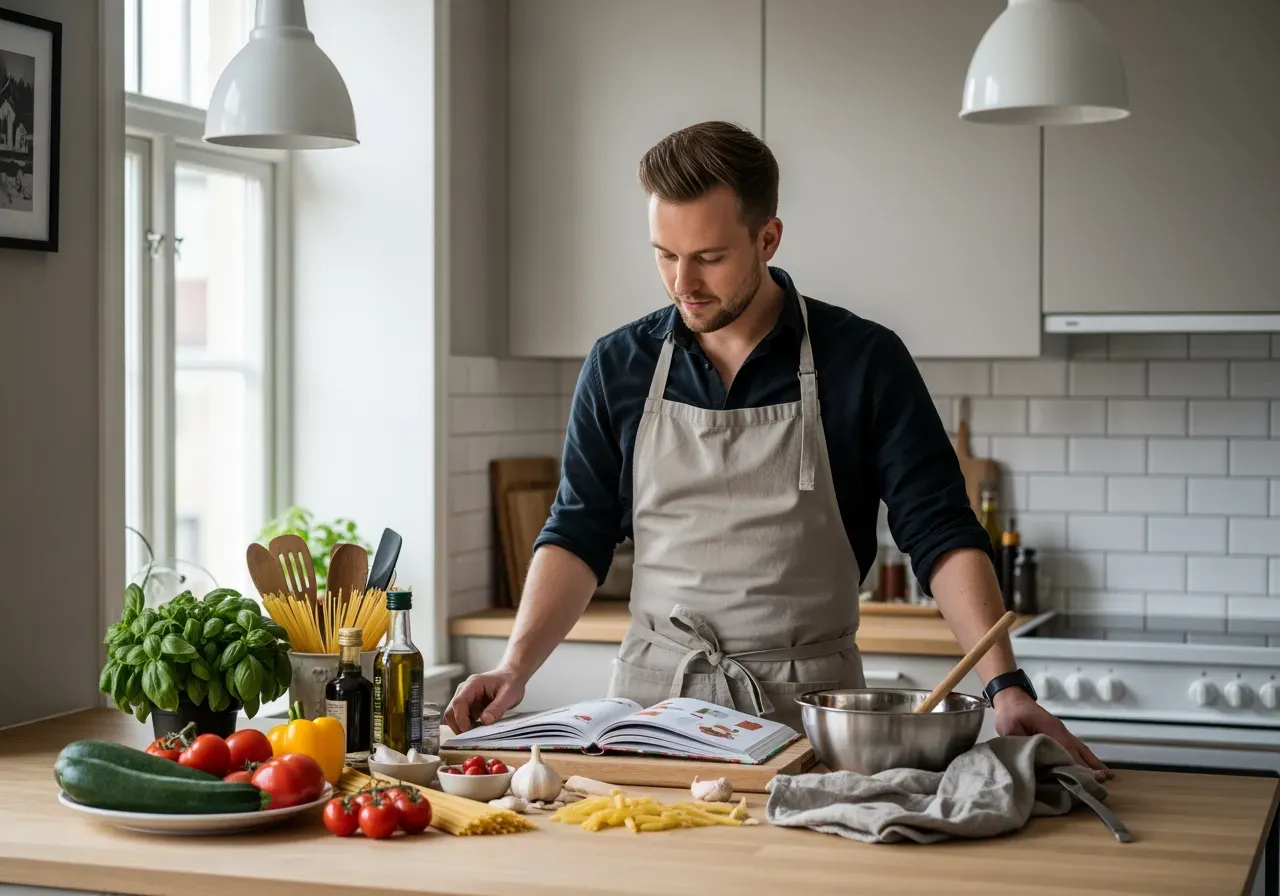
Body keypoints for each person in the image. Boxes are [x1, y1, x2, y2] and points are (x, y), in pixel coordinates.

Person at [446, 121, 1111, 779]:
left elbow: (938, 529)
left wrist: (1005, 686)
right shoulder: (618, 364)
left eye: (708, 257)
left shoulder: (864, 360)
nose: (683, 283)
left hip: (807, 716)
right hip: (651, 718)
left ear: (768, 238)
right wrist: (513, 666)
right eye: (664, 254)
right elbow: (578, 529)